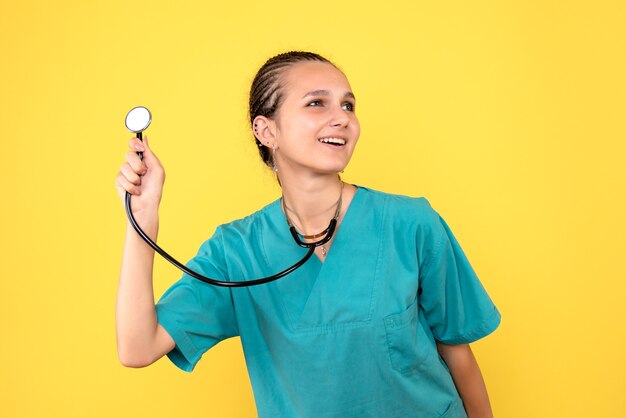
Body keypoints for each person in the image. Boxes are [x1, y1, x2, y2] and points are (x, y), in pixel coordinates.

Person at [115, 51, 502, 418]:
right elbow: (137, 347)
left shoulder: (410, 223)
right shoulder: (236, 252)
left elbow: (457, 352)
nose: (342, 118)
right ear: (266, 130)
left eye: (348, 105)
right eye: (317, 103)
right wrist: (142, 223)